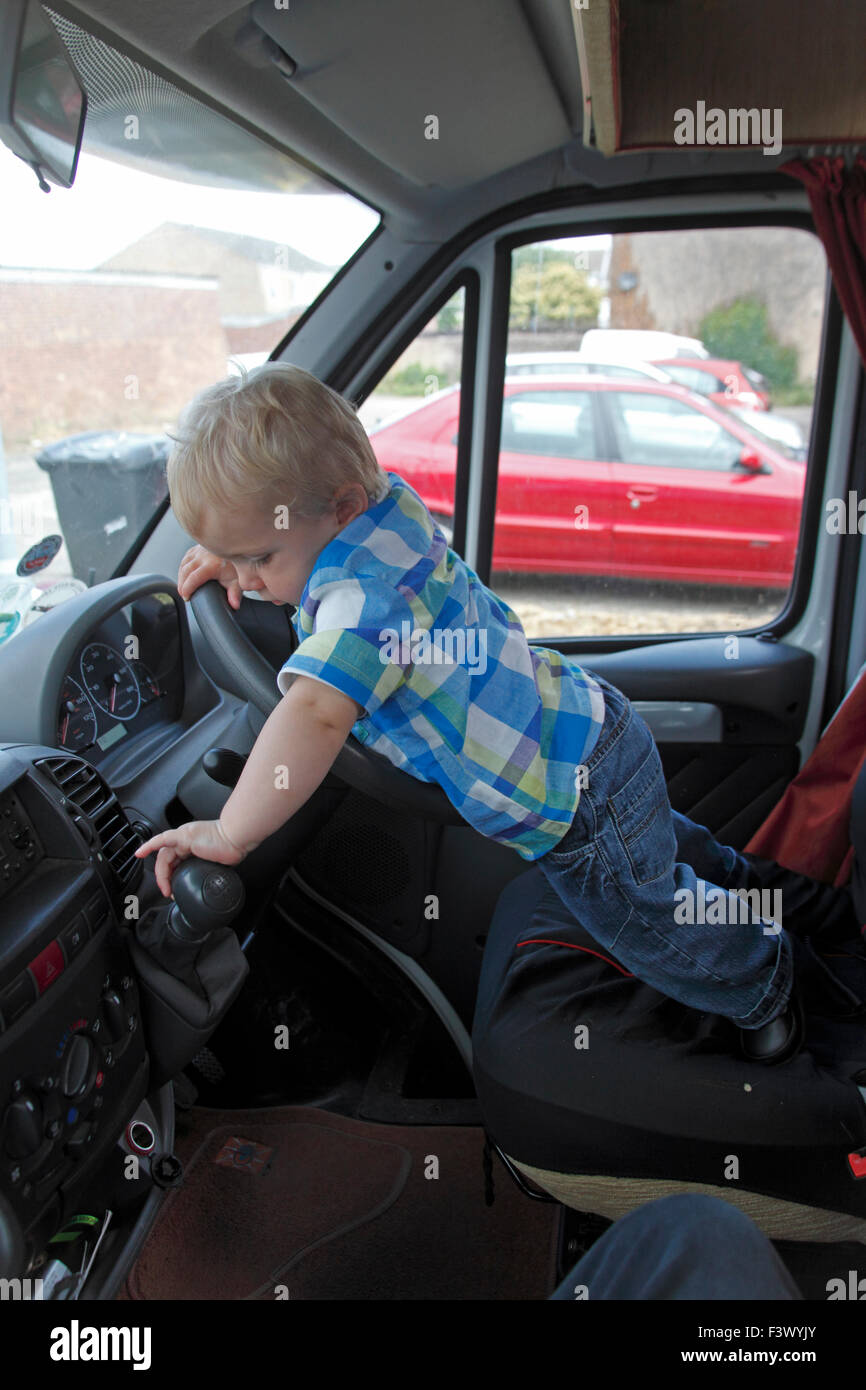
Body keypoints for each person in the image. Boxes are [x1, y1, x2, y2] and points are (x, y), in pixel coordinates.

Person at [134, 363, 796, 1054]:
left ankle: (763, 983)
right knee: (668, 860)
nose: (244, 578)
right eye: (231, 558)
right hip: (588, 732)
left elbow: (315, 716)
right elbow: (301, 555)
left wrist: (232, 832)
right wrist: (242, 557)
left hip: (574, 801)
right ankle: (748, 894)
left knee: (646, 918)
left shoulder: (362, 607)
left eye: (258, 557)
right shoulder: (391, 515)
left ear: (343, 510)